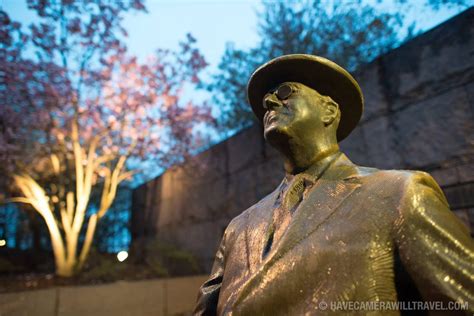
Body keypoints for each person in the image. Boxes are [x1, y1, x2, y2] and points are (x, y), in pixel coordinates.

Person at [194, 54, 473, 315]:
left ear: (329, 111)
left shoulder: (400, 193)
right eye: (267, 98)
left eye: (285, 92)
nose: (269, 102)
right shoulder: (238, 227)